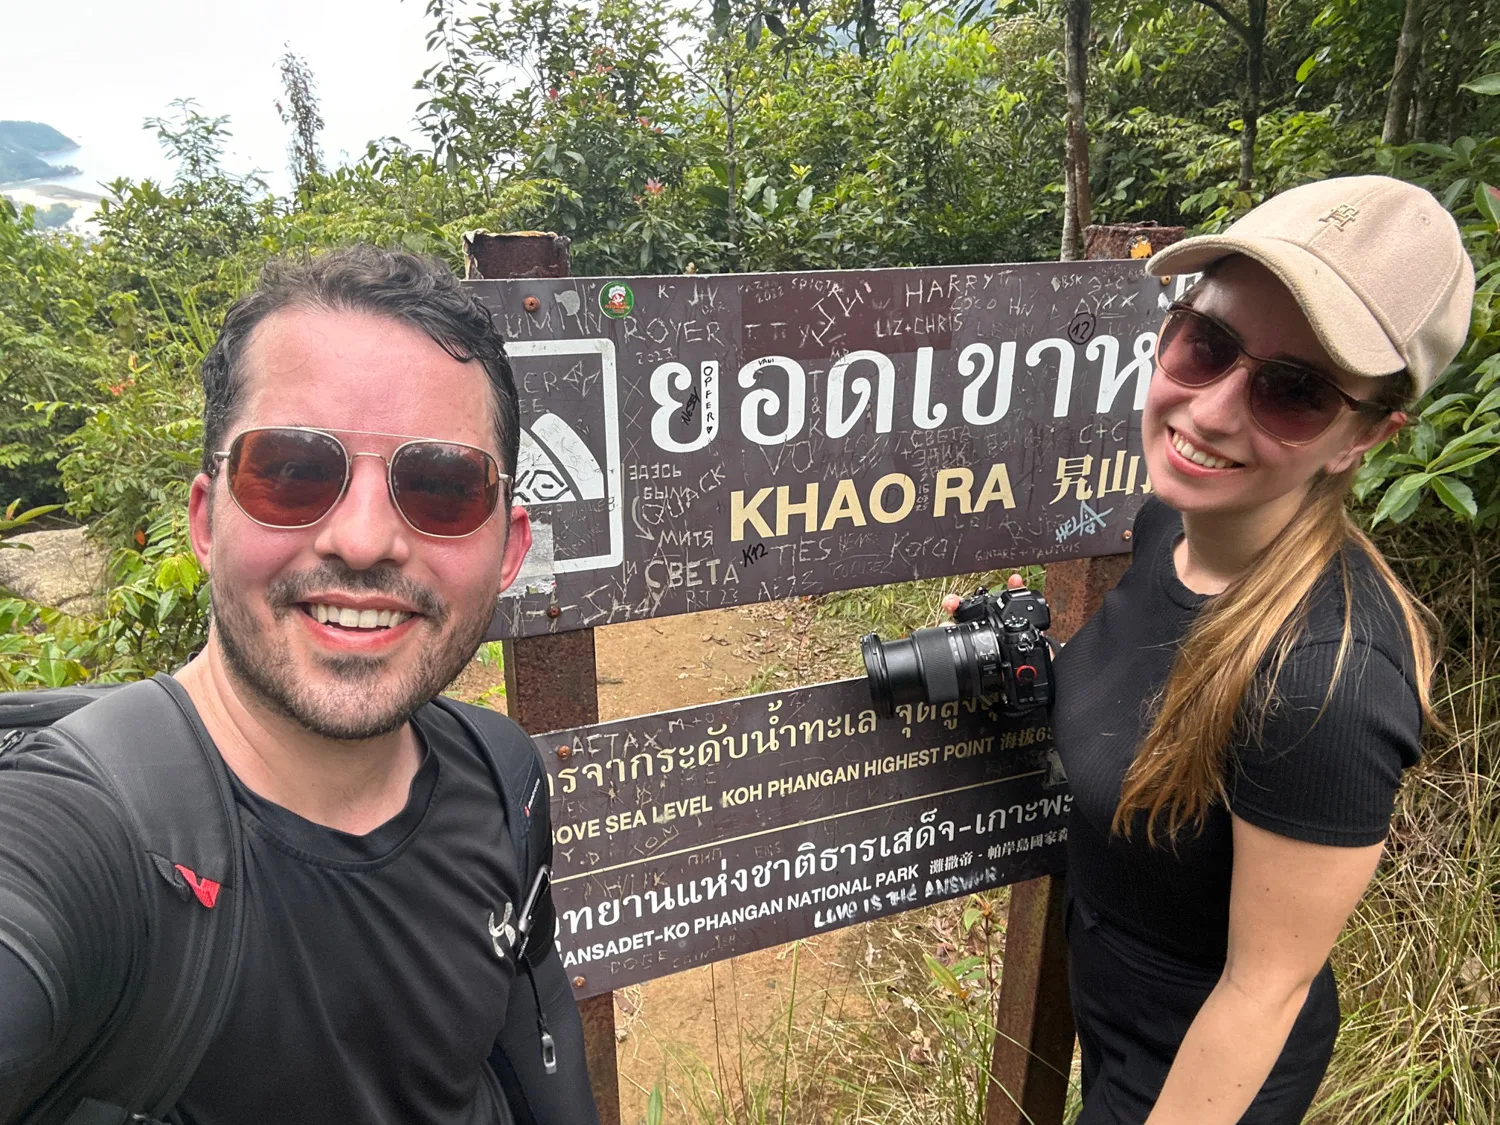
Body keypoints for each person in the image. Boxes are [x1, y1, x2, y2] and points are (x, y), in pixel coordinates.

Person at [0, 246, 600, 1125]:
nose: (362, 541)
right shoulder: (84, 839)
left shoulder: (504, 777)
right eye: (293, 473)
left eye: (439, 488)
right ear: (208, 519)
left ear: (509, 549)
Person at [1043, 175, 1475, 1123]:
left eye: (1294, 391)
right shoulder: (1174, 522)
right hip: (1112, 1018)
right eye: (1207, 343)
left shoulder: (1326, 681)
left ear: (1362, 437)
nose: (1212, 410)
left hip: (1196, 1080)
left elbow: (1263, 990)